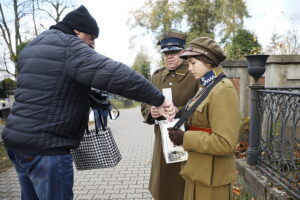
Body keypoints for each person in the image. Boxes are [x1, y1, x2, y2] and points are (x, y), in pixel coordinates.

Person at [2, 5, 175, 200]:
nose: (92, 44)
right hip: (46, 149)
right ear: (76, 30)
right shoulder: (70, 47)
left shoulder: (33, 46)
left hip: (16, 142)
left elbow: (46, 87)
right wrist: (158, 99)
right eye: (91, 37)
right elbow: (117, 75)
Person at [168, 37, 240, 200]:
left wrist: (185, 138)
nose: (189, 68)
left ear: (208, 61)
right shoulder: (207, 86)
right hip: (197, 171)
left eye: (193, 63)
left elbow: (225, 143)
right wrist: (177, 113)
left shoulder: (222, 89)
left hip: (213, 179)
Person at [141, 31, 199, 200]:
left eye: (173, 52)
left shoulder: (193, 74)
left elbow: (203, 104)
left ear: (183, 52)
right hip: (163, 140)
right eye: (166, 53)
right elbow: (145, 102)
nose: (169, 57)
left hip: (187, 137)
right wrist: (152, 112)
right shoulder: (157, 76)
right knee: (163, 185)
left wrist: (179, 111)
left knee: (184, 185)